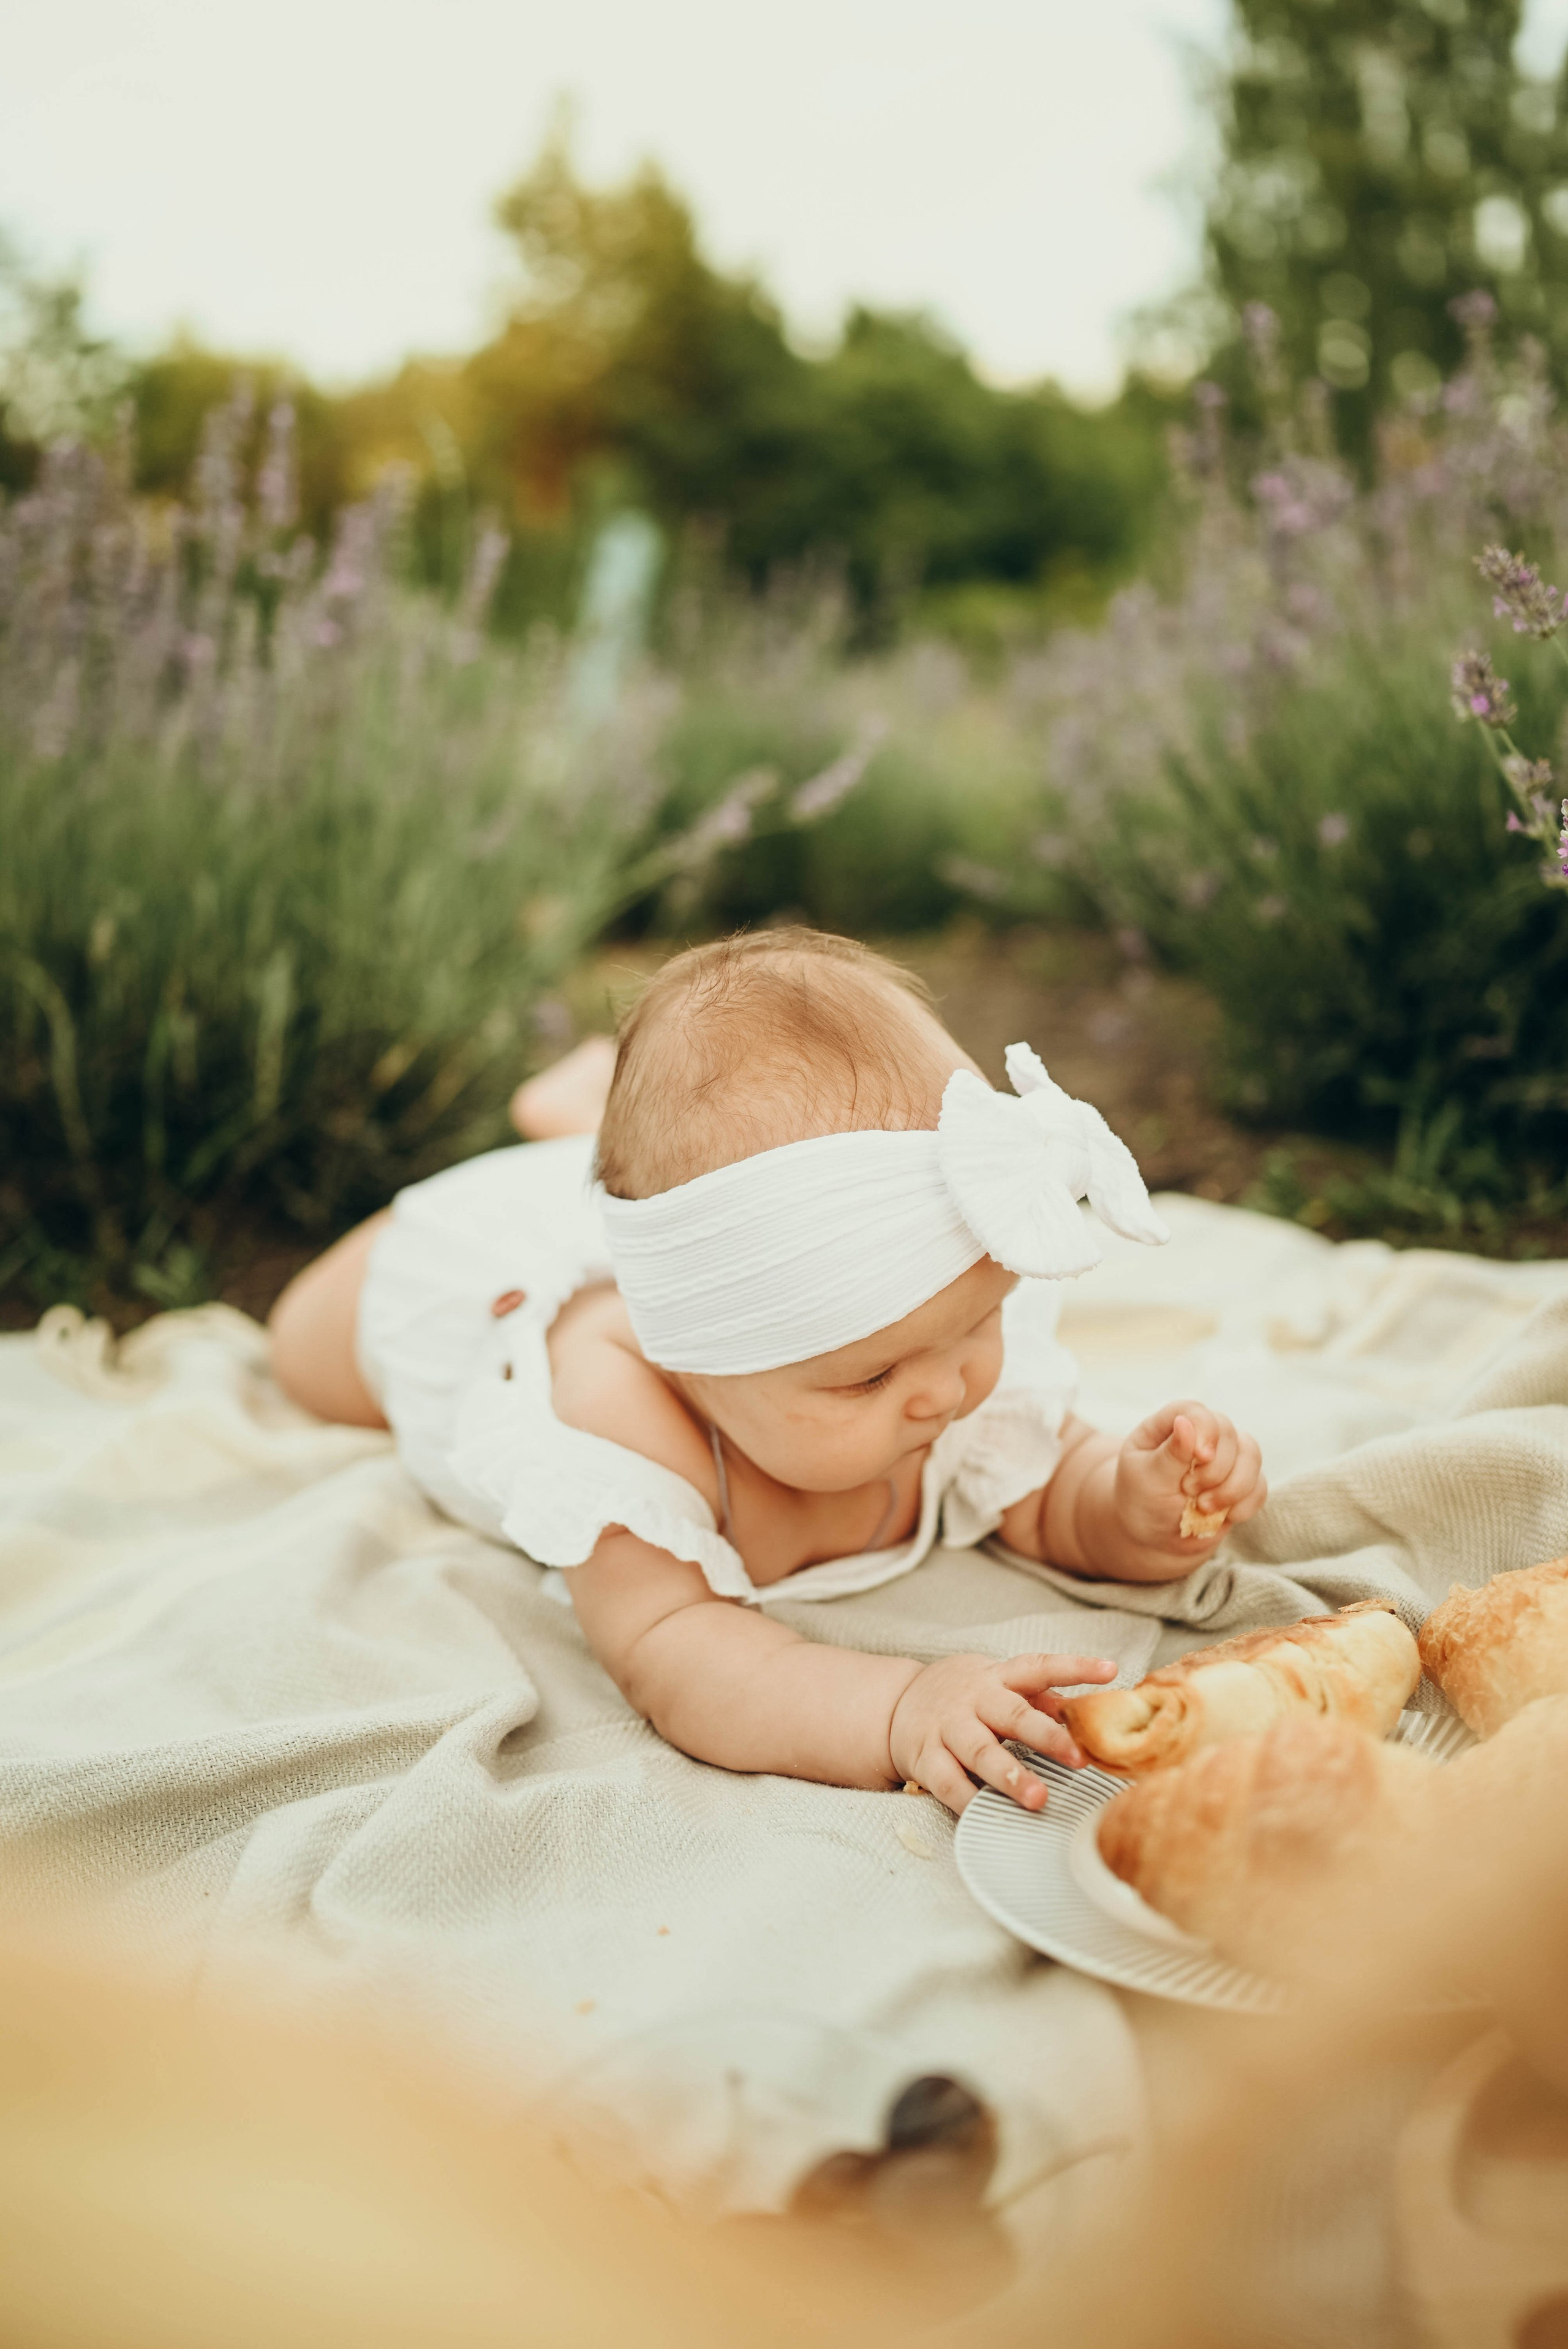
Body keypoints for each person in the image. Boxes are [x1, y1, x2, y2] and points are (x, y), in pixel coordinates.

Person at [270, 930, 1267, 1815]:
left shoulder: (922, 1336)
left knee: (674, 1172)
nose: (945, 1392)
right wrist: (896, 1706)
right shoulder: (615, 1418)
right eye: (867, 1380)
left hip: (673, 1247)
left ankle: (587, 1120)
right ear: (694, 1362)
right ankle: (566, 1125)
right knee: (300, 1349)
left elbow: (1047, 1498)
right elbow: (680, 1657)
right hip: (476, 1283)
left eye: (979, 1323)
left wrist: (1140, 1504)